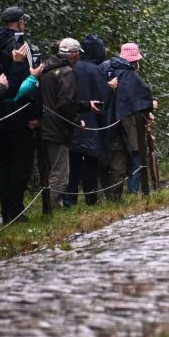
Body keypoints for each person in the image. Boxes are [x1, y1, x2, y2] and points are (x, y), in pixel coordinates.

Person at [0, 6, 42, 223]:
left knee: (8, 164)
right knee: (21, 164)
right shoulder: (21, 46)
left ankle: (7, 210)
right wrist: (35, 113)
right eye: (23, 22)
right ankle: (15, 210)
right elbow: (29, 81)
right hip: (19, 112)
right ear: (19, 23)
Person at [40, 38, 102, 208]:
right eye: (78, 53)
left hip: (45, 125)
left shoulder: (47, 68)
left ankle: (52, 206)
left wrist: (86, 106)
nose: (79, 57)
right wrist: (76, 120)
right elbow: (65, 103)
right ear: (72, 54)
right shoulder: (66, 71)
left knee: (52, 170)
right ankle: (48, 209)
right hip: (57, 127)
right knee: (60, 174)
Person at [100, 43, 154, 197]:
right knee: (136, 156)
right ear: (134, 60)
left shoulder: (106, 68)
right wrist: (149, 108)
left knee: (115, 156)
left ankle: (111, 195)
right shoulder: (131, 76)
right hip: (129, 123)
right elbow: (142, 101)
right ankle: (131, 191)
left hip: (108, 121)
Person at [64, 35, 109, 206]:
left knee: (72, 165)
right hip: (90, 123)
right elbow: (102, 98)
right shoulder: (94, 70)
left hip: (70, 121)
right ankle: (91, 198)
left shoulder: (70, 68)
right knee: (90, 163)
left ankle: (70, 200)